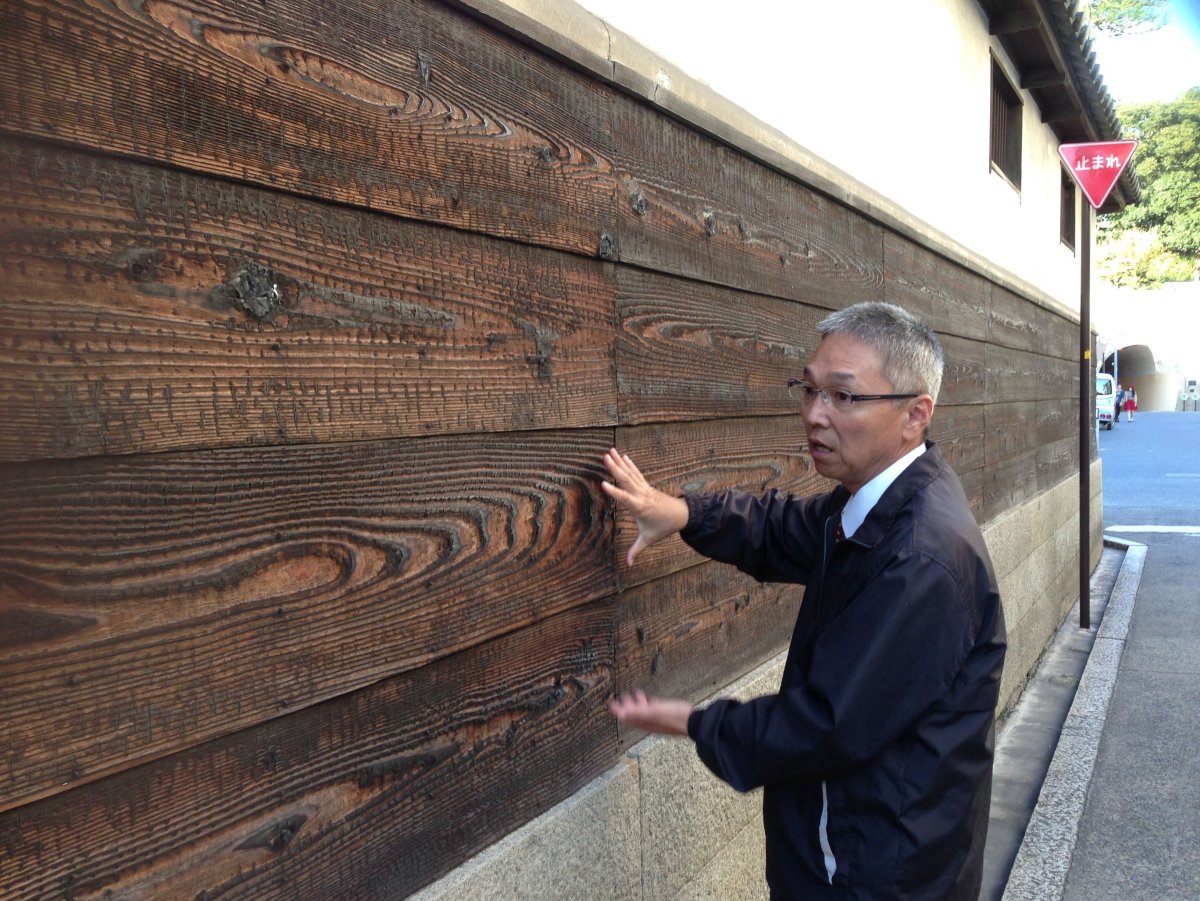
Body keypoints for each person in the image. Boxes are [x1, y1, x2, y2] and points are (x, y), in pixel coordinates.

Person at [603, 301, 1006, 899]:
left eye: (844, 397)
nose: (815, 415)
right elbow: (784, 528)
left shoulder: (921, 559)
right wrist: (685, 513)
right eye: (809, 390)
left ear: (915, 414)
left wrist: (697, 723)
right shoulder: (880, 501)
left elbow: (826, 725)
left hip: (870, 874)